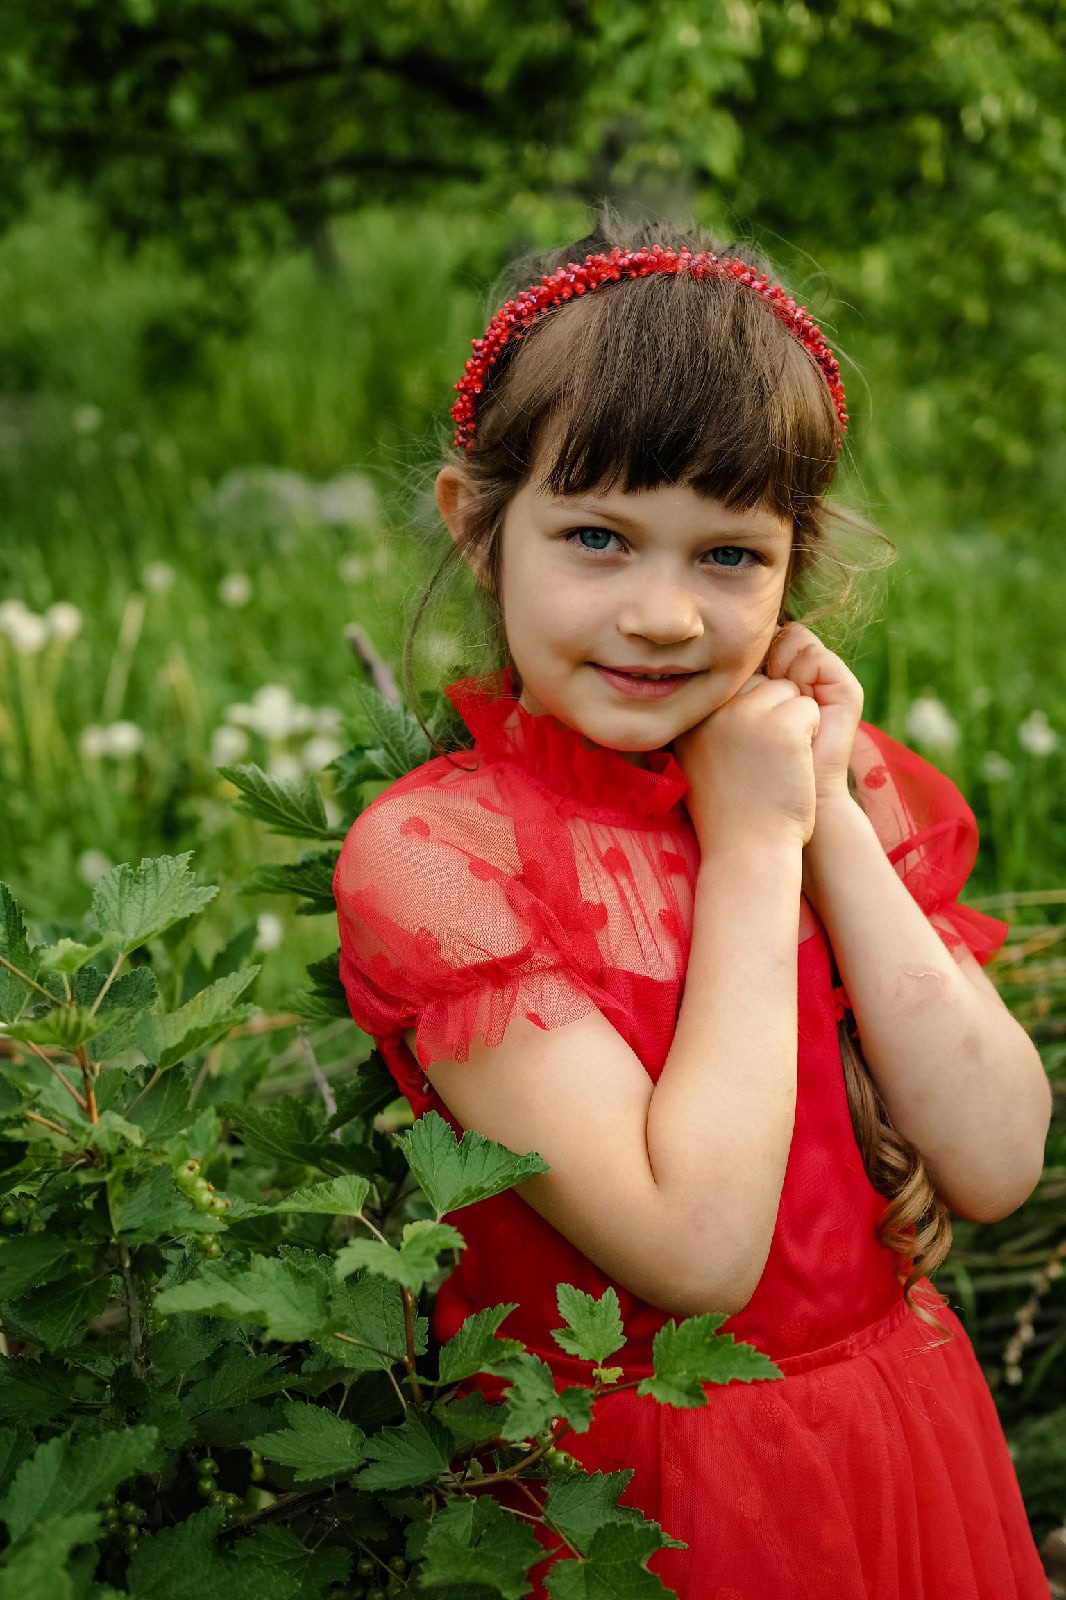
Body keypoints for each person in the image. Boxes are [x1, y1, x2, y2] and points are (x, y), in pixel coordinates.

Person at [334, 224, 1052, 1598]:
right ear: (474, 523)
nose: (661, 614)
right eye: (596, 539)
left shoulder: (832, 792)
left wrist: (822, 808)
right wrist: (748, 848)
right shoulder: (440, 861)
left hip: (893, 1438)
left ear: (795, 570)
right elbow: (696, 1254)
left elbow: (995, 1157)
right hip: (642, 1497)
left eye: (728, 556)